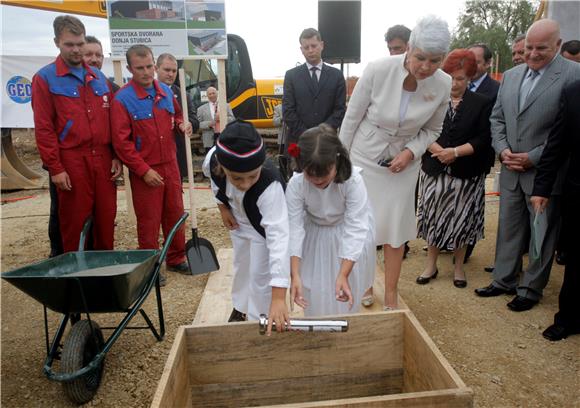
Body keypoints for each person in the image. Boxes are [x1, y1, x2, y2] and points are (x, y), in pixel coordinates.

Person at [339, 15, 452, 309]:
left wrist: (410, 152)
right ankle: (363, 283)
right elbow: (352, 118)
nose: (426, 67)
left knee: (395, 230)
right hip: (364, 156)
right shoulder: (378, 69)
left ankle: (390, 291)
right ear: (409, 49)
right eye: (421, 58)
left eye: (435, 61)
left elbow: (433, 130)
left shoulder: (443, 84)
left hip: (404, 164)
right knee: (363, 227)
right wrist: (341, 162)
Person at [475, 19, 580, 311]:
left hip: (546, 174)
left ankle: (531, 288)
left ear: (558, 46)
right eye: (528, 48)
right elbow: (497, 119)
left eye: (541, 48)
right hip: (509, 169)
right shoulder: (510, 75)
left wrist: (533, 156)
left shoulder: (574, 75)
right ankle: (503, 279)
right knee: (508, 228)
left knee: (541, 235)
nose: (533, 54)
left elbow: (569, 132)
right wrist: (503, 150)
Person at [32, 15, 119, 253]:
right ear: (56, 42)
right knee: (75, 222)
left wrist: (114, 155)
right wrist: (55, 167)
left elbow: (110, 120)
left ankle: (104, 277)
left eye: (80, 44)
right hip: (71, 160)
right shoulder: (45, 78)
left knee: (105, 219)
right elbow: (44, 127)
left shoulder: (98, 77)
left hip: (102, 159)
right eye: (69, 44)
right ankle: (77, 280)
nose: (76, 50)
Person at [202, 120, 290, 335]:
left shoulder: (270, 186)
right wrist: (222, 207)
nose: (245, 183)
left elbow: (279, 238)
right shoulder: (213, 159)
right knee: (241, 266)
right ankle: (240, 307)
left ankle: (258, 321)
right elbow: (214, 181)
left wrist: (279, 297)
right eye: (237, 178)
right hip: (239, 223)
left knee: (261, 275)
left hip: (263, 230)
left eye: (252, 175)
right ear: (222, 166)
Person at [111, 45, 192, 278]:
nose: (146, 72)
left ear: (154, 66)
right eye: (140, 68)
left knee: (175, 213)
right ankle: (151, 266)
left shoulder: (165, 92)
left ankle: (176, 258)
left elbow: (177, 114)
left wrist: (180, 123)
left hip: (170, 164)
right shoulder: (122, 100)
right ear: (129, 68)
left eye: (149, 67)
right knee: (149, 219)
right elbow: (121, 143)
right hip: (145, 170)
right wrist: (143, 170)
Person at [416, 49, 493, 288]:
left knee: (462, 219)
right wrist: (439, 151)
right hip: (434, 169)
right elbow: (418, 129)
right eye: (450, 77)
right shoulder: (430, 98)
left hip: (467, 171)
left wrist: (456, 152)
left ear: (469, 77)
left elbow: (484, 138)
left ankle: (459, 267)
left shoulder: (482, 103)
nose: (454, 83)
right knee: (433, 217)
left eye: (460, 78)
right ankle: (431, 264)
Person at [286, 124, 375, 316]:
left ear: (337, 160)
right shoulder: (296, 184)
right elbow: (294, 228)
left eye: (325, 173)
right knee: (313, 284)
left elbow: (355, 228)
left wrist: (343, 274)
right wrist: (295, 274)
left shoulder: (353, 181)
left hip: (345, 231)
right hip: (314, 232)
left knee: (344, 286)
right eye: (310, 174)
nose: (317, 180)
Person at [531, 79, 580, 340]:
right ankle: (568, 318)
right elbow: (556, 145)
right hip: (578, 190)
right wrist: (542, 188)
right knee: (574, 261)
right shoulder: (573, 92)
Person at [282, 28, 346, 147]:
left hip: (326, 143)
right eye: (306, 47)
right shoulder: (291, 76)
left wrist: (322, 134)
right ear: (301, 50)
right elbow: (288, 111)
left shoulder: (337, 76)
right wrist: (307, 135)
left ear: (321, 45)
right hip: (299, 143)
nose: (310, 50)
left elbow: (340, 110)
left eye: (314, 46)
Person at [155, 53, 200, 179]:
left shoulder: (183, 95)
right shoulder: (147, 92)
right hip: (154, 156)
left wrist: (190, 124)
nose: (171, 74)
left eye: (174, 71)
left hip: (176, 154)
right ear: (156, 68)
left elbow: (194, 119)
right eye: (167, 70)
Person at [197, 86, 234, 153]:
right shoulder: (201, 109)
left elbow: (232, 120)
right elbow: (198, 124)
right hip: (209, 140)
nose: (212, 95)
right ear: (207, 96)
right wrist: (210, 124)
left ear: (217, 93)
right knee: (211, 160)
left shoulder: (226, 106)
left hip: (224, 137)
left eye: (213, 93)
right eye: (210, 94)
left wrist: (222, 119)